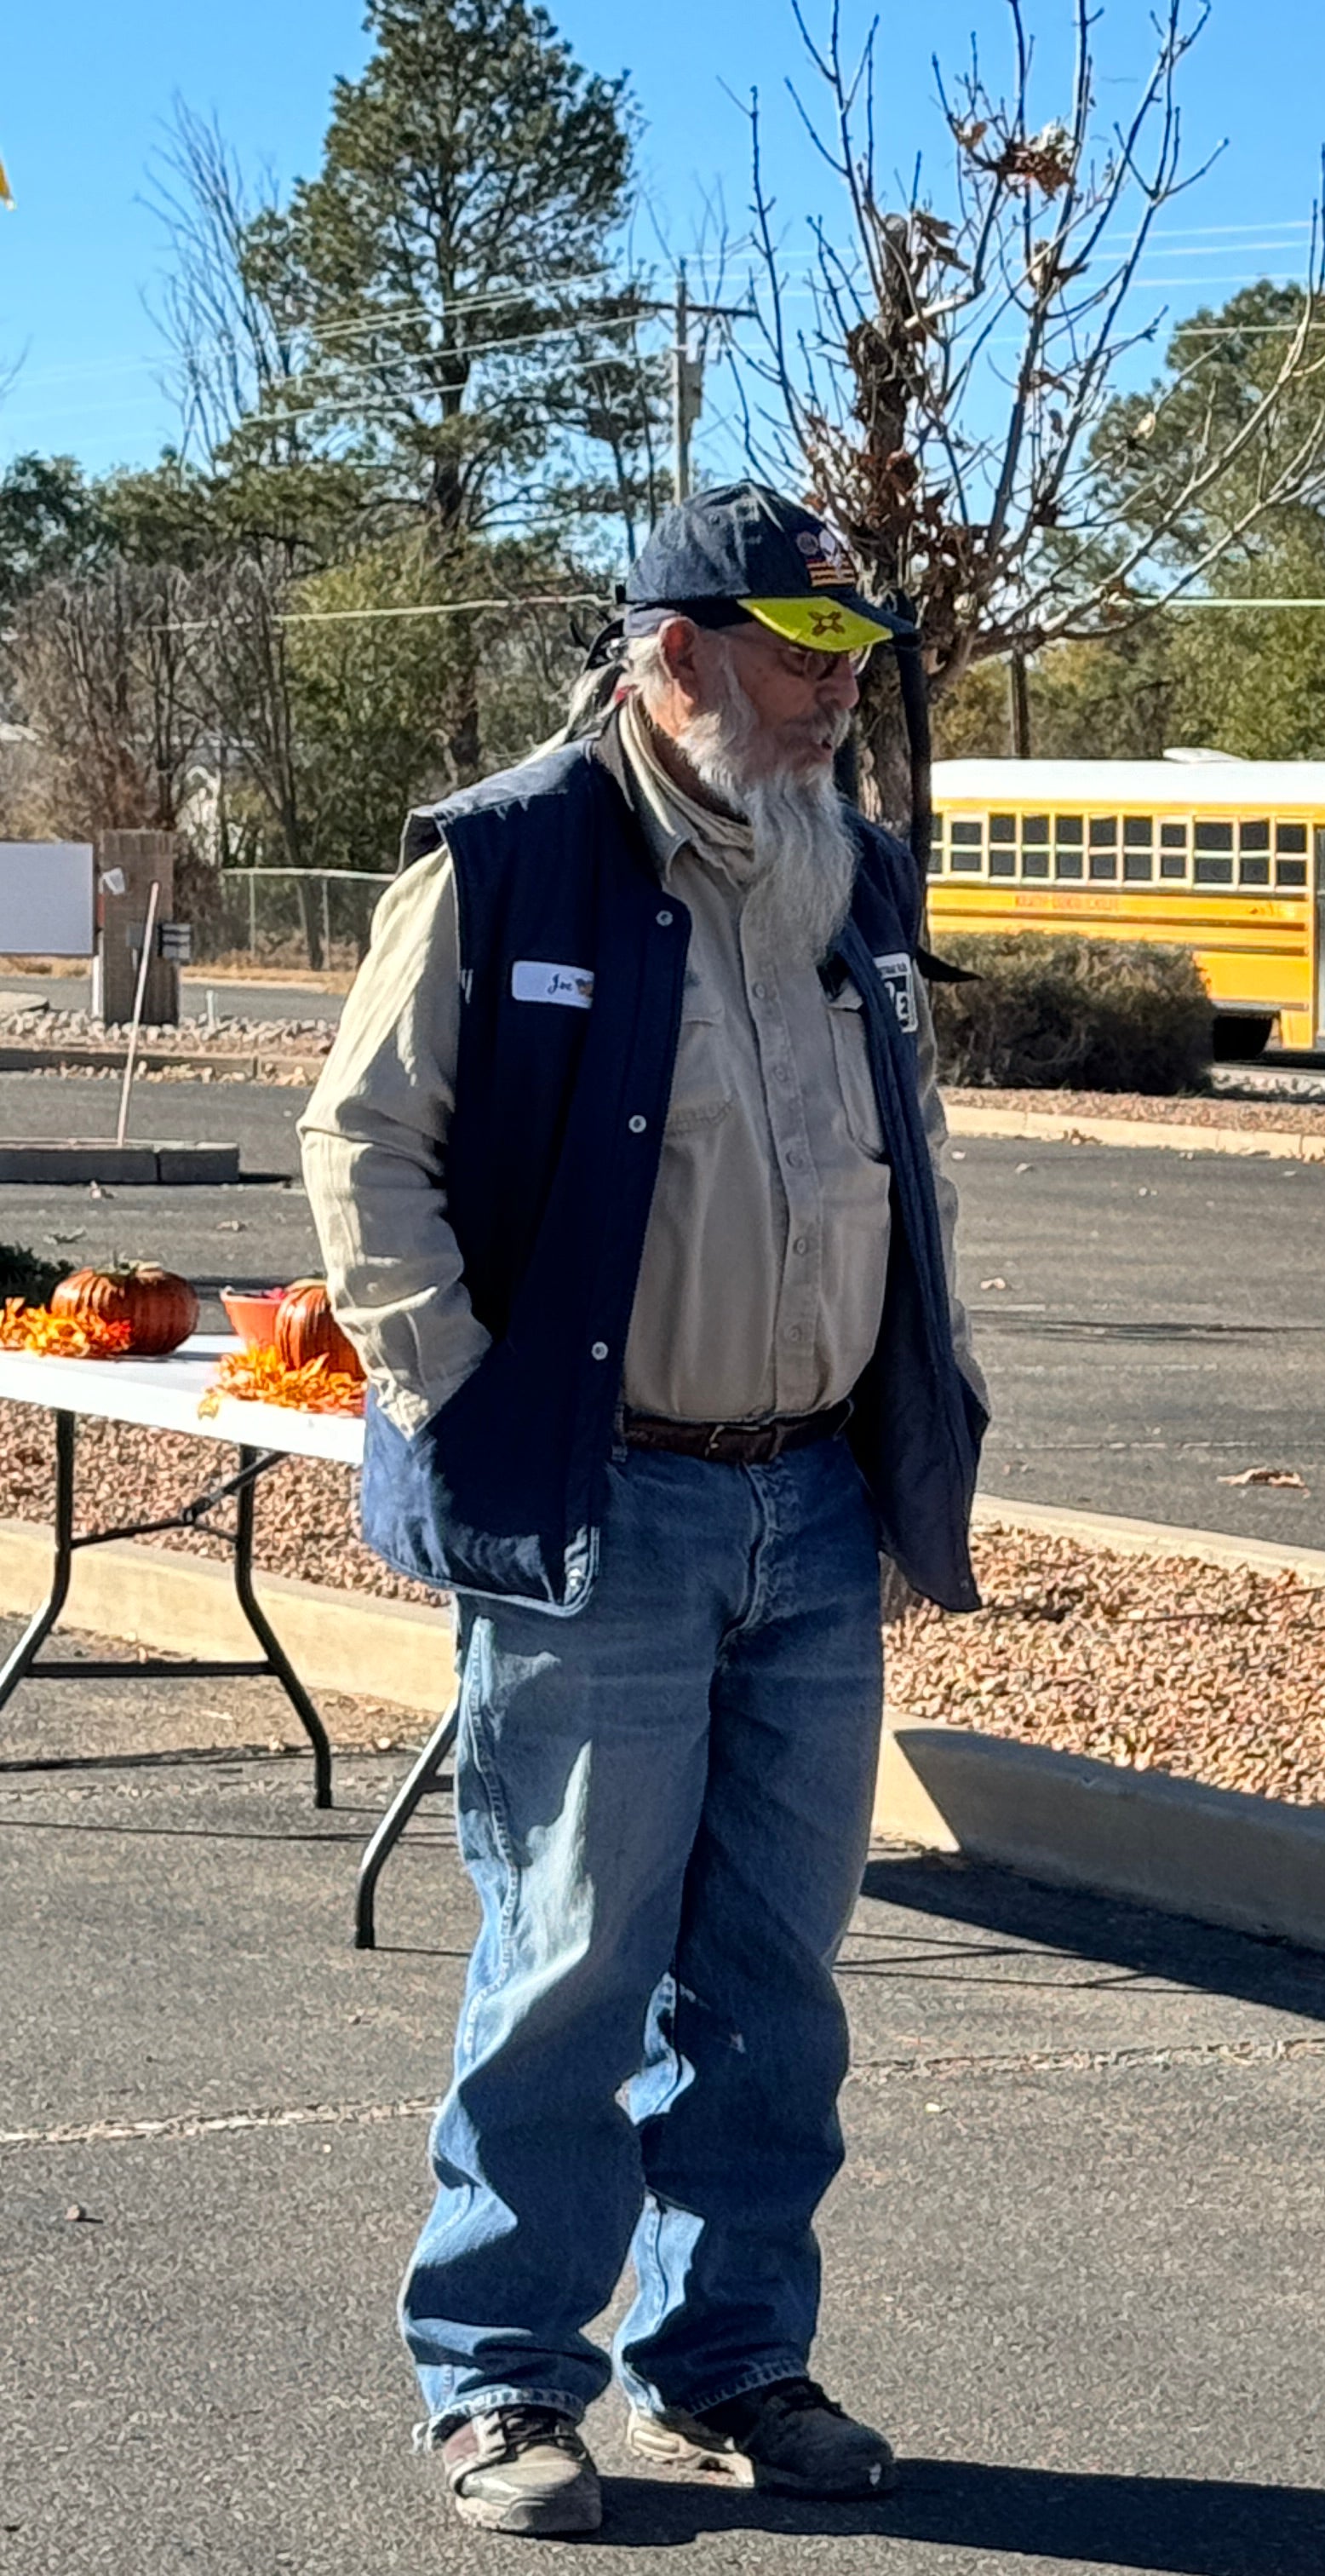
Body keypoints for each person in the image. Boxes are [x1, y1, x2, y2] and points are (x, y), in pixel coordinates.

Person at [301, 483, 985, 2539]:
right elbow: (364, 1149)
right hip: (609, 1513)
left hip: (810, 1504)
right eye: (796, 657)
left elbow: (903, 1159)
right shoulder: (511, 858)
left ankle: (733, 2360)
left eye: (852, 660)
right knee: (576, 1959)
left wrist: (920, 1404)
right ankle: (501, 2380)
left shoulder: (846, 871)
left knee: (779, 1975)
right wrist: (468, 1401)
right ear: (672, 655)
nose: (832, 696)